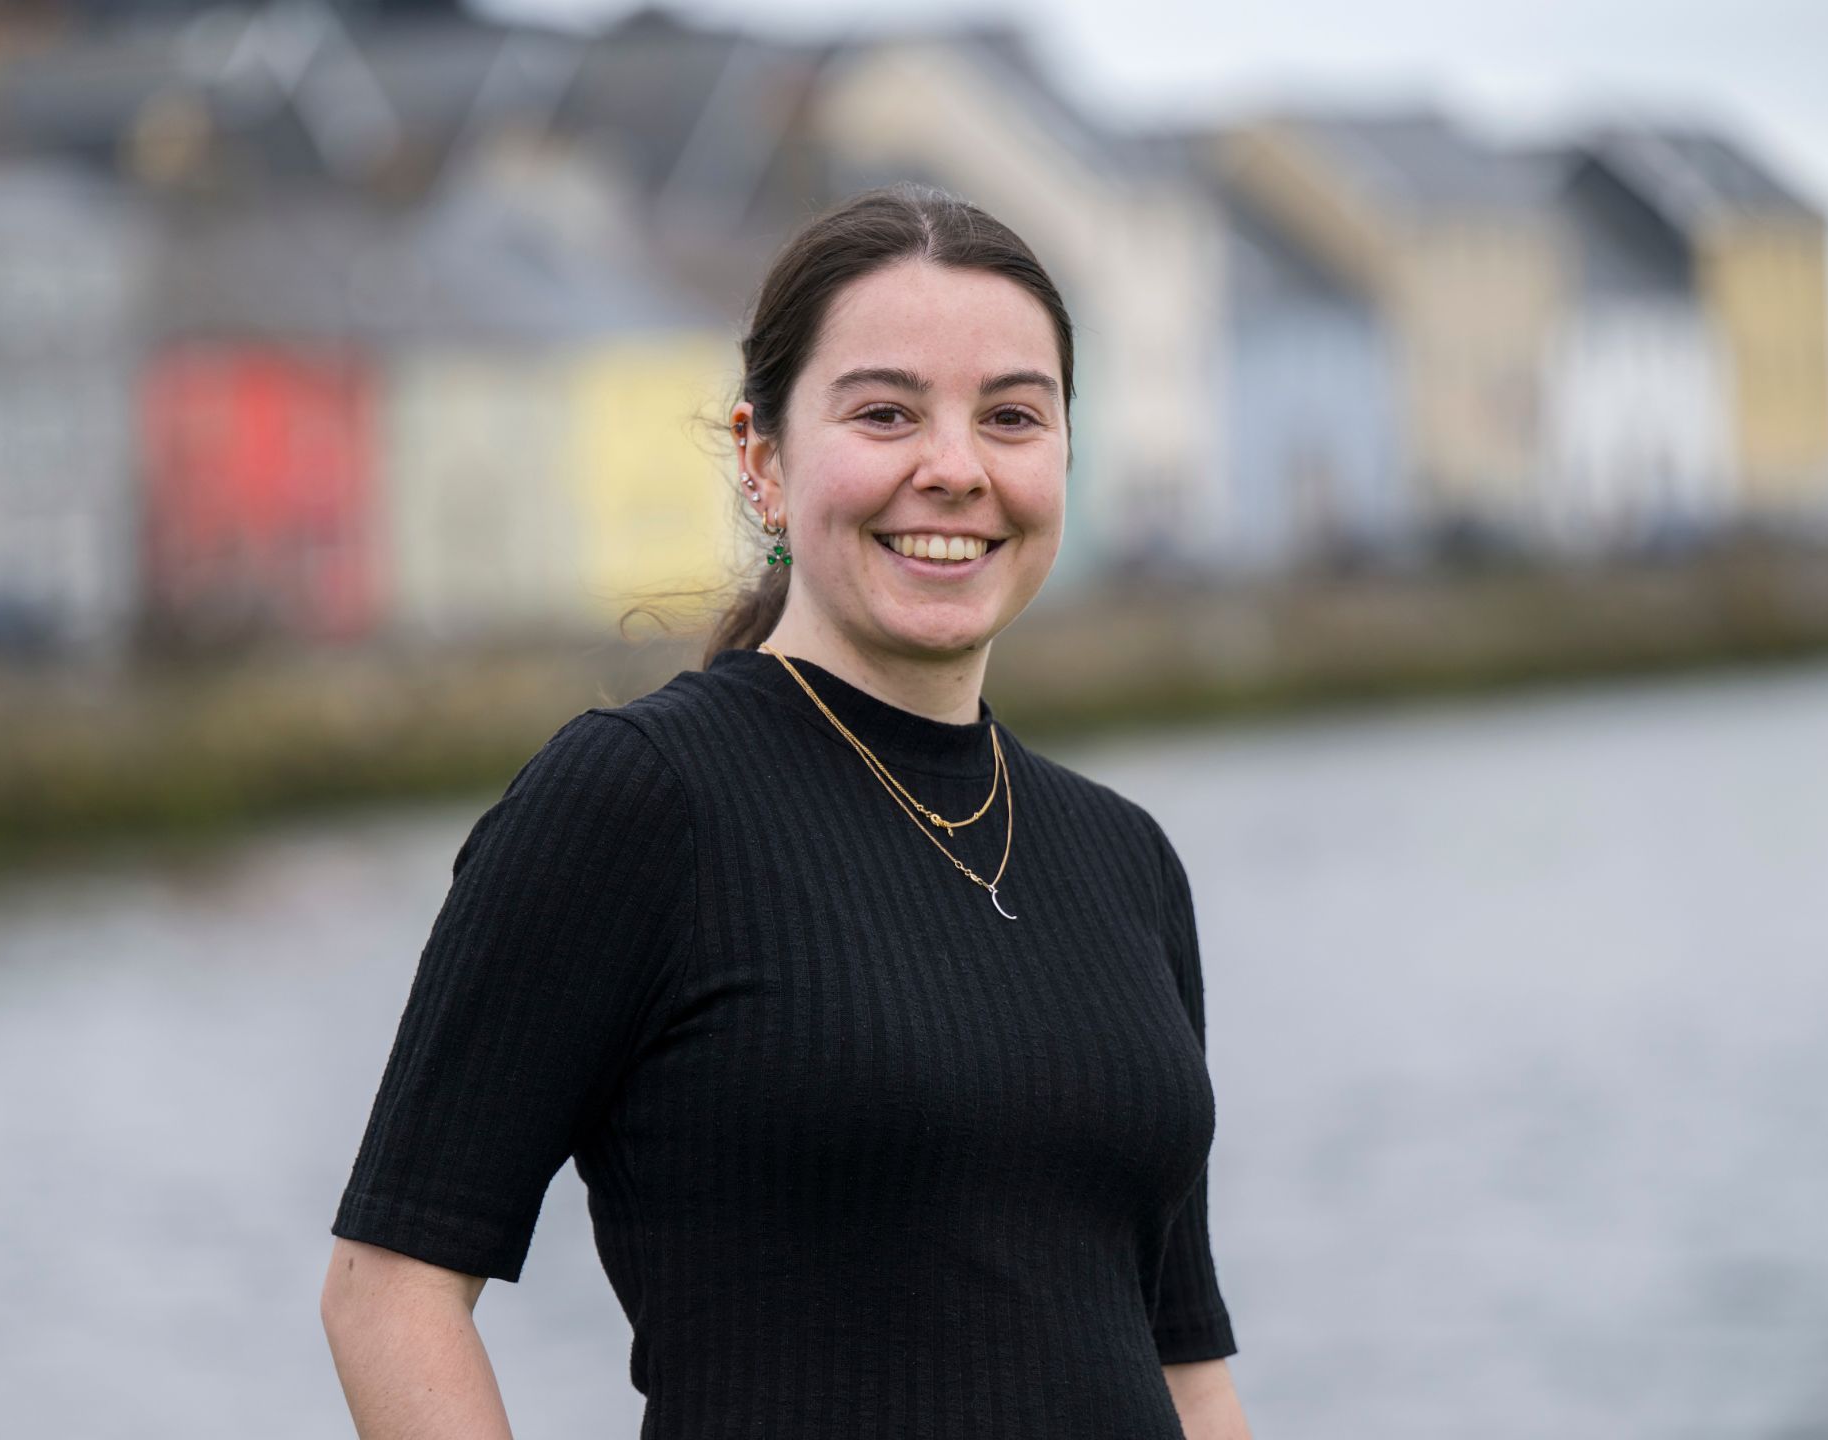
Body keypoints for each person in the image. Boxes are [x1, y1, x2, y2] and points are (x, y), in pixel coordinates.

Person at [319, 183, 1254, 1439]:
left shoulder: (1124, 859)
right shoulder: (637, 803)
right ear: (763, 462)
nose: (954, 469)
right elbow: (389, 1294)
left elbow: (1184, 1369)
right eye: (884, 413)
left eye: (1012, 417)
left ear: (1065, 457)